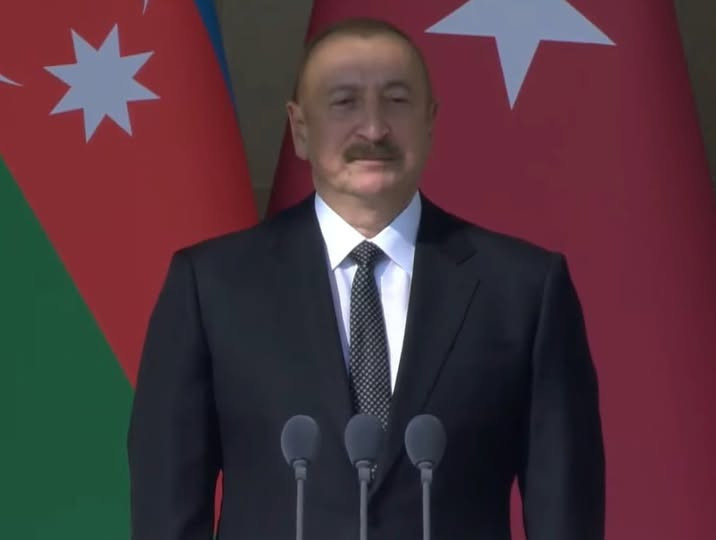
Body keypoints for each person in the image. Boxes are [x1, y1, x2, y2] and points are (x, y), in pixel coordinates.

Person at [128, 17, 605, 540]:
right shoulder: (212, 286)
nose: (373, 129)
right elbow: (167, 505)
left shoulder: (523, 289)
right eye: (344, 103)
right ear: (300, 128)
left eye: (396, 101)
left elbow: (565, 507)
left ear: (430, 121)